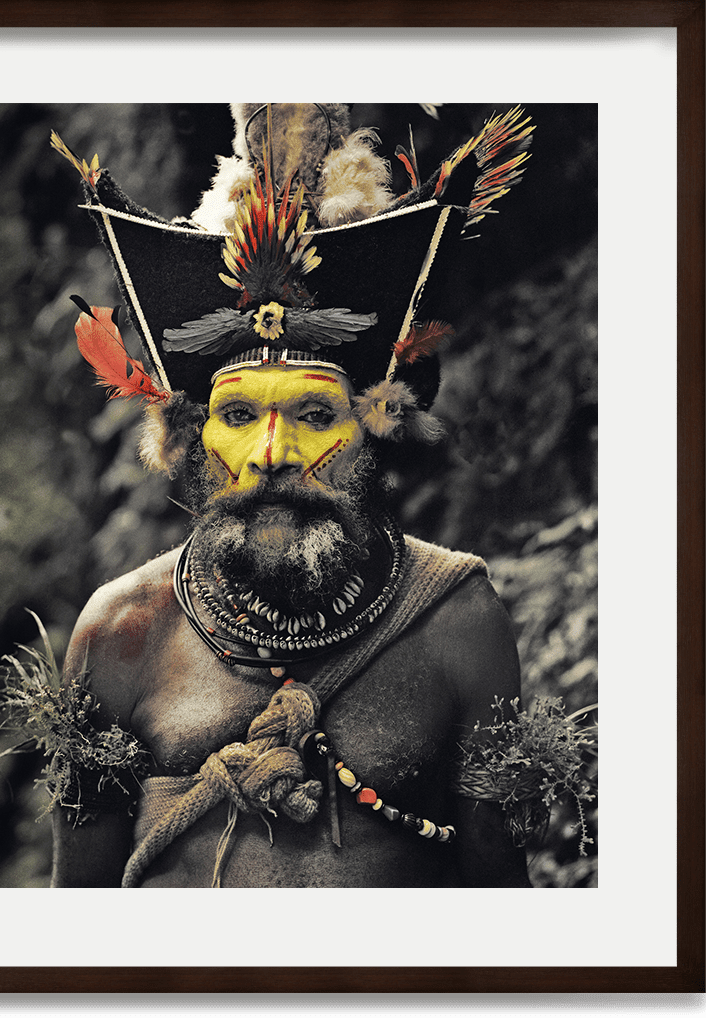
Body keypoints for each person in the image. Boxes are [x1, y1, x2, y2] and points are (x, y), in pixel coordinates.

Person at [47, 103, 536, 888]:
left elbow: (505, 920)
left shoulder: (459, 621)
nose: (272, 455)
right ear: (192, 435)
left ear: (375, 422)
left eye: (313, 414)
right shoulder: (119, 632)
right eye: (238, 415)